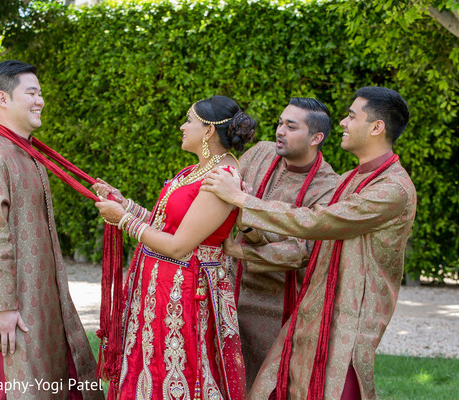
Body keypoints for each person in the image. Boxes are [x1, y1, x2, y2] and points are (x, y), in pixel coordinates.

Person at [202, 86, 417, 400]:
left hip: (346, 322)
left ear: (376, 127)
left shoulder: (391, 189)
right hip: (314, 310)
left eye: (351, 116)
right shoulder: (352, 178)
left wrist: (242, 201)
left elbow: (317, 223)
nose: (342, 122)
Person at [94, 95, 256, 400]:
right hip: (162, 289)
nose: (183, 126)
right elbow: (165, 226)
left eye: (189, 120)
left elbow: (180, 246)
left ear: (208, 131)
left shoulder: (220, 180)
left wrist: (125, 221)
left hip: (184, 294)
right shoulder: (193, 172)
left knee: (181, 373)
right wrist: (123, 204)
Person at [0, 60, 103, 400]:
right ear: (3, 99)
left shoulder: (25, 151)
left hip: (38, 299)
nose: (40, 100)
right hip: (14, 308)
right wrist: (2, 308)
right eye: (31, 92)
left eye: (40, 93)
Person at [226, 98, 340, 387]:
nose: (280, 131)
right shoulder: (260, 153)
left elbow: (302, 251)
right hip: (227, 291)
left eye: (291, 126)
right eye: (280, 123)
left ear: (316, 138)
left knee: (264, 386)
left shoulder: (329, 187)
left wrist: (237, 248)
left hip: (276, 306)